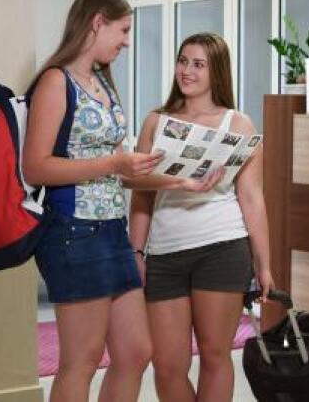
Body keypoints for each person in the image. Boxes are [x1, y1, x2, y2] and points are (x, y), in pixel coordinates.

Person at [23, 0, 220, 402]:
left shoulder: (101, 83)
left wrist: (179, 182)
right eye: (124, 30)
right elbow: (36, 167)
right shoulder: (56, 81)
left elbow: (123, 173)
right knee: (81, 360)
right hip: (73, 231)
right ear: (98, 22)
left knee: (135, 352)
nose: (127, 41)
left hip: (112, 231)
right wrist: (114, 164)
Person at [130, 32, 274, 402]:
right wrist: (136, 251)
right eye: (183, 61)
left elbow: (252, 197)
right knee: (167, 366)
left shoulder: (238, 124)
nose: (187, 70)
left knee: (214, 355)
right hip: (164, 254)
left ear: (217, 71)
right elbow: (141, 191)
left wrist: (264, 266)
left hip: (223, 248)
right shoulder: (156, 121)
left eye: (198, 64)